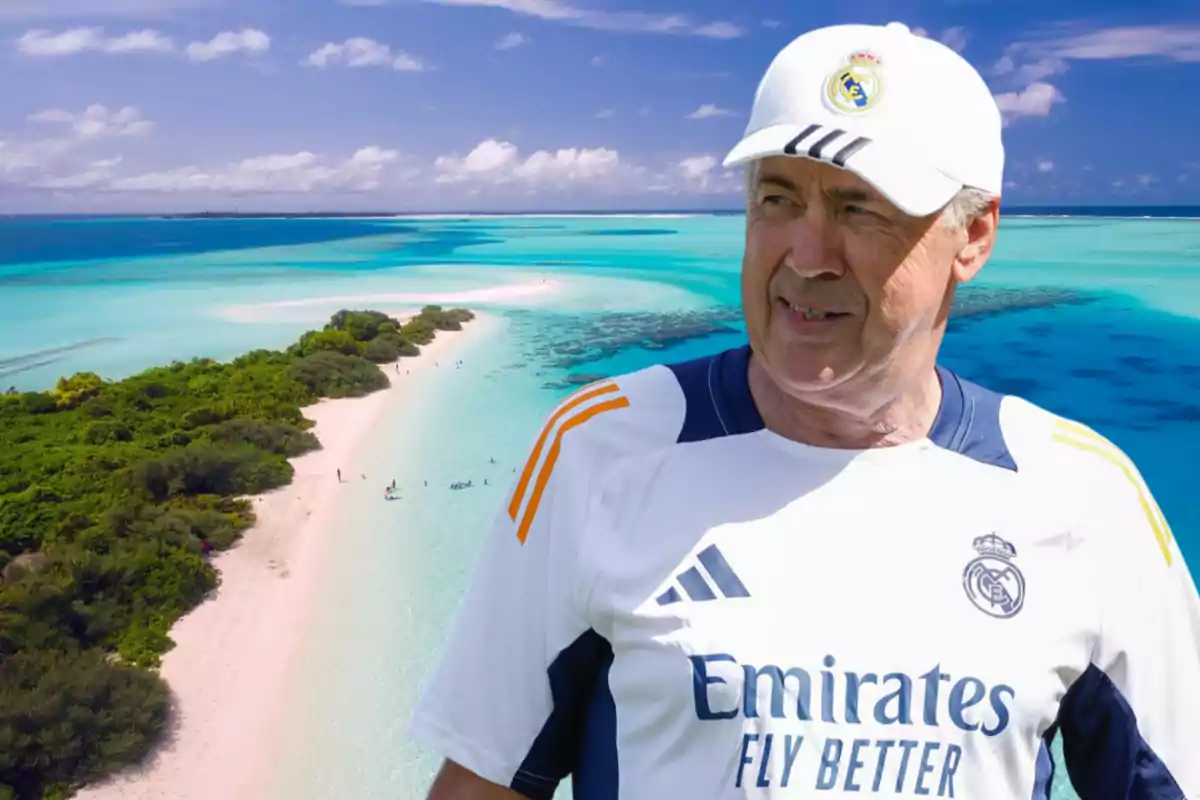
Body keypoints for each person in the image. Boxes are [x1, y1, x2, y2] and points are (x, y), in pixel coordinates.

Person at [409, 21, 1200, 800]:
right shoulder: (603, 450)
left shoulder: (1082, 494)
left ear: (975, 233)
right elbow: (487, 778)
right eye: (778, 199)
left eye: (861, 209)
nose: (807, 255)